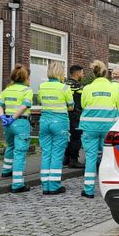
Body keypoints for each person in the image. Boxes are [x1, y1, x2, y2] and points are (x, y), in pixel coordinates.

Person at [79, 60, 119, 199]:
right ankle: (108, 189)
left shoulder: (87, 88)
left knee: (90, 157)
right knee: (108, 158)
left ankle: (88, 190)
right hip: (108, 128)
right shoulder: (115, 88)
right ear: (106, 73)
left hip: (90, 128)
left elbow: (83, 104)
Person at [0, 64, 33, 193]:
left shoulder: (6, 90)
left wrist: (3, 117)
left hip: (7, 125)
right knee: (20, 152)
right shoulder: (27, 91)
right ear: (26, 78)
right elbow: (24, 107)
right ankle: (17, 184)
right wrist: (14, 117)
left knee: (10, 146)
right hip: (21, 123)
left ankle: (6, 170)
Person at [38, 62, 74, 195]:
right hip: (59, 122)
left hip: (44, 122)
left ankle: (45, 185)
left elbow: (41, 101)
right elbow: (71, 106)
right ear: (60, 72)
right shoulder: (64, 88)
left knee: (46, 153)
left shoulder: (42, 86)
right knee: (57, 153)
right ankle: (54, 185)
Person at [64, 64, 85, 168]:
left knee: (66, 137)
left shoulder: (64, 85)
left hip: (64, 115)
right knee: (76, 138)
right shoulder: (79, 87)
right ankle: (74, 160)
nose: (83, 74)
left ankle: (65, 158)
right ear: (77, 73)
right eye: (82, 72)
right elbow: (84, 102)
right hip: (76, 116)